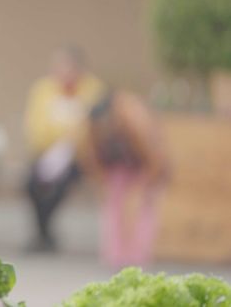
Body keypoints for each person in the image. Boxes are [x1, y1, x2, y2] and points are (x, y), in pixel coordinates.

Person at [23, 46, 104, 252]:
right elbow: (36, 126)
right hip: (46, 153)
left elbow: (91, 129)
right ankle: (43, 233)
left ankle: (44, 234)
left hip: (79, 157)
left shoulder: (93, 91)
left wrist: (69, 140)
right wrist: (61, 136)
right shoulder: (43, 90)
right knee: (31, 184)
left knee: (59, 187)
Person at [80, 90, 167, 268]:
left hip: (144, 166)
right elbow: (92, 159)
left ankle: (137, 258)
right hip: (116, 169)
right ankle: (116, 256)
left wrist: (141, 189)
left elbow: (155, 160)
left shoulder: (134, 120)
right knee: (114, 208)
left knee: (141, 210)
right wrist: (101, 183)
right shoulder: (94, 126)